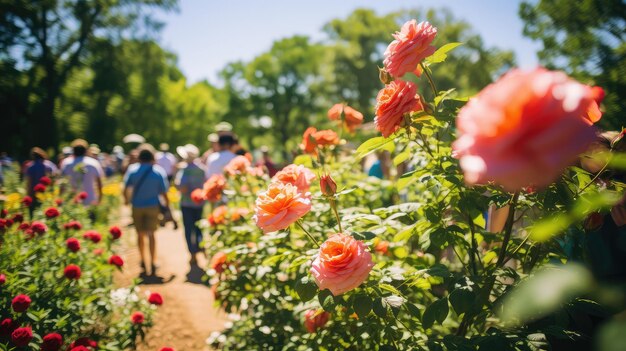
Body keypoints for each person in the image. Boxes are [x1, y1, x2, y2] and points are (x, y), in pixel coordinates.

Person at [123, 144, 169, 276]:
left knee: (140, 234)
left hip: (137, 206)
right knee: (151, 234)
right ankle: (153, 261)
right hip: (153, 206)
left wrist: (126, 201)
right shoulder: (158, 171)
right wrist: (167, 206)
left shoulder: (132, 170)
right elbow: (164, 192)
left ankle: (143, 259)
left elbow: (126, 188)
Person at [175, 144, 206, 265]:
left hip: (187, 203)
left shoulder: (185, 169)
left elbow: (182, 187)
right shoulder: (202, 169)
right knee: (199, 228)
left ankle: (193, 254)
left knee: (188, 229)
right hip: (199, 203)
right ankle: (201, 247)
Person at [61, 139, 104, 220]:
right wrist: (100, 199)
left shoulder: (66, 163)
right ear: (86, 150)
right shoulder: (93, 163)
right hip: (90, 200)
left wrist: (61, 199)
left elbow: (62, 183)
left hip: (71, 201)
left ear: (73, 150)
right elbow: (99, 183)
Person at [24, 147, 59, 216]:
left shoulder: (30, 167)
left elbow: (29, 183)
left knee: (34, 214)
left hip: (34, 194)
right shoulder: (49, 165)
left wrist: (28, 196)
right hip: (48, 194)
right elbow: (55, 179)